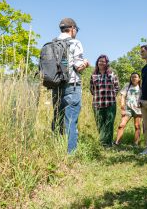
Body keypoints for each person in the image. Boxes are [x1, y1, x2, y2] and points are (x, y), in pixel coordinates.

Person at [51, 18, 89, 154]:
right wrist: (85, 63)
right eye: (76, 30)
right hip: (71, 86)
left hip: (55, 86)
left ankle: (55, 150)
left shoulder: (53, 43)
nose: (76, 32)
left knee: (57, 119)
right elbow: (78, 67)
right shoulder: (75, 42)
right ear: (72, 28)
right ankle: (70, 155)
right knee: (70, 121)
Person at [90, 55, 119, 147]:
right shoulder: (93, 75)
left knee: (109, 124)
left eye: (103, 61)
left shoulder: (112, 74)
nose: (101, 63)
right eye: (99, 61)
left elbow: (117, 87)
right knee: (100, 123)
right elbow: (91, 89)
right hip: (97, 103)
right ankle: (103, 143)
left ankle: (108, 144)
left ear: (107, 63)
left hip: (110, 103)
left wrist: (111, 95)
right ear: (97, 63)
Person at [114, 72, 142, 146]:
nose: (133, 78)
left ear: (139, 79)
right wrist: (122, 108)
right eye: (132, 77)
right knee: (121, 125)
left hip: (138, 110)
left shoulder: (141, 87)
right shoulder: (127, 85)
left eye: (135, 77)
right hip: (128, 109)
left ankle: (136, 144)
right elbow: (122, 97)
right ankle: (117, 142)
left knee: (137, 126)